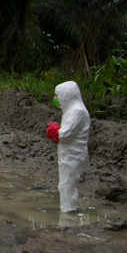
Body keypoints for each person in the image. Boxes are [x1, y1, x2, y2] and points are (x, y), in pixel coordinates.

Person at [46, 80, 90, 212]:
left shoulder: (77, 112)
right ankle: (67, 209)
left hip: (73, 155)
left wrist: (55, 130)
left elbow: (65, 134)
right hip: (69, 154)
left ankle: (68, 213)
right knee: (65, 184)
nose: (55, 98)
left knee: (67, 185)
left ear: (66, 95)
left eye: (57, 95)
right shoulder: (71, 110)